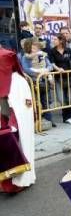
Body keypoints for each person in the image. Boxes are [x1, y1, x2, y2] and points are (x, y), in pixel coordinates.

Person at [0, 47, 36, 193]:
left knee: (21, 146)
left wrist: (12, 125)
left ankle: (22, 179)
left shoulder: (19, 82)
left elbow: (23, 109)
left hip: (15, 126)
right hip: (5, 122)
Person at [19, 38, 55, 126]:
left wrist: (46, 70)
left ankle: (49, 120)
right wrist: (37, 72)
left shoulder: (42, 54)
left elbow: (49, 65)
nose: (36, 47)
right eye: (33, 45)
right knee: (35, 102)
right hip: (33, 82)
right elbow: (26, 69)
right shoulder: (25, 57)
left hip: (44, 80)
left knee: (46, 101)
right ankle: (36, 121)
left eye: (36, 46)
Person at [48, 33, 71, 124]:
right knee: (61, 98)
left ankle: (67, 117)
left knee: (69, 98)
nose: (53, 41)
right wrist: (58, 69)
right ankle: (68, 115)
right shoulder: (52, 51)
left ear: (61, 41)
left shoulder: (69, 50)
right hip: (58, 78)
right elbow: (52, 63)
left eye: (55, 39)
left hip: (70, 77)